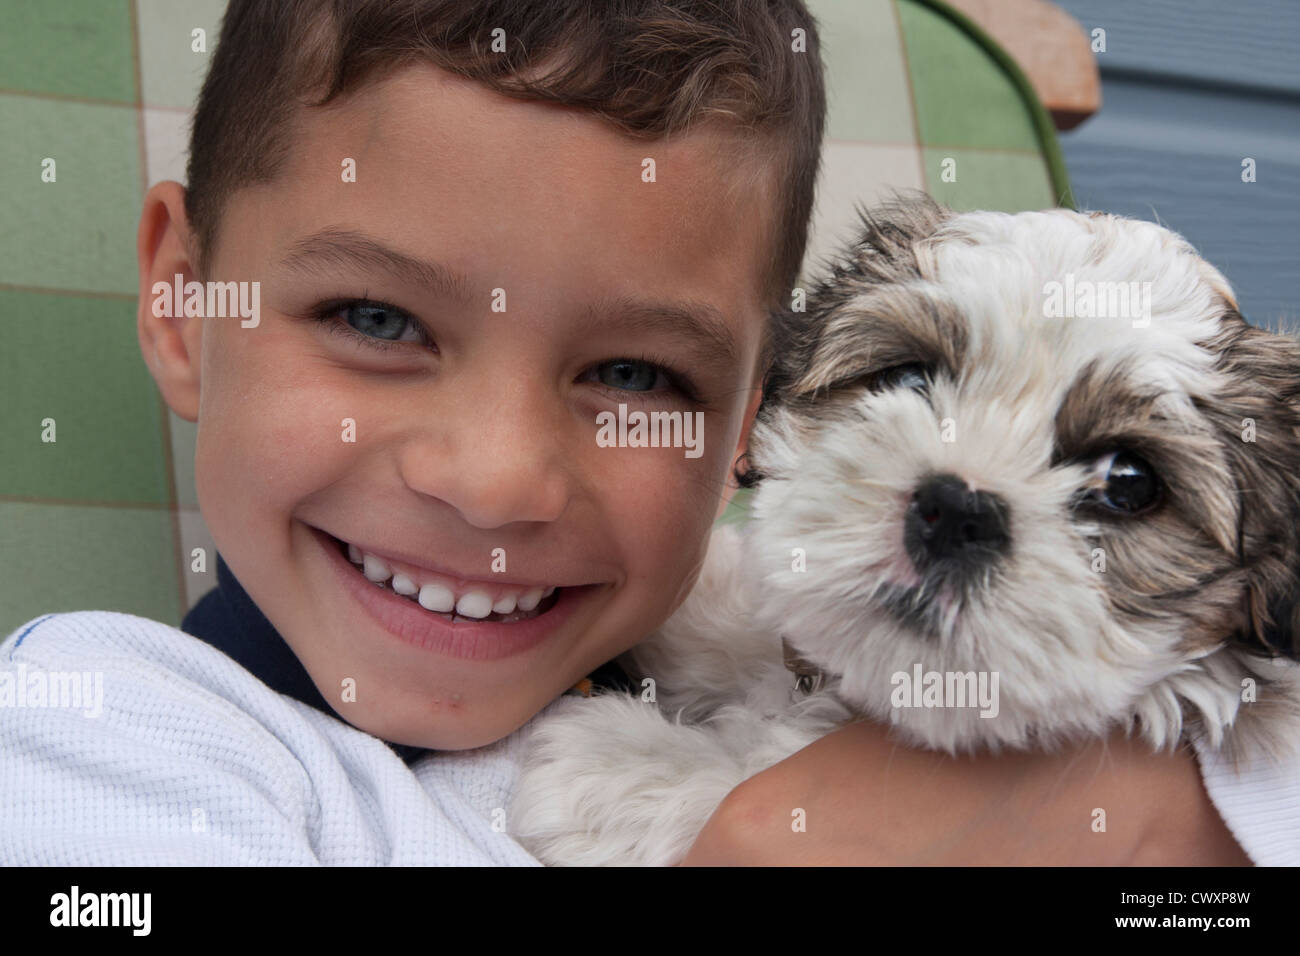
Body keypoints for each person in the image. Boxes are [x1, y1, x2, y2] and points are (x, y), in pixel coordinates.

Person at [0, 0, 1286, 865]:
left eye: (633, 370)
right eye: (376, 317)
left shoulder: (782, 652)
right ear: (184, 300)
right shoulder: (102, 731)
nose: (498, 477)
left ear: (753, 417)